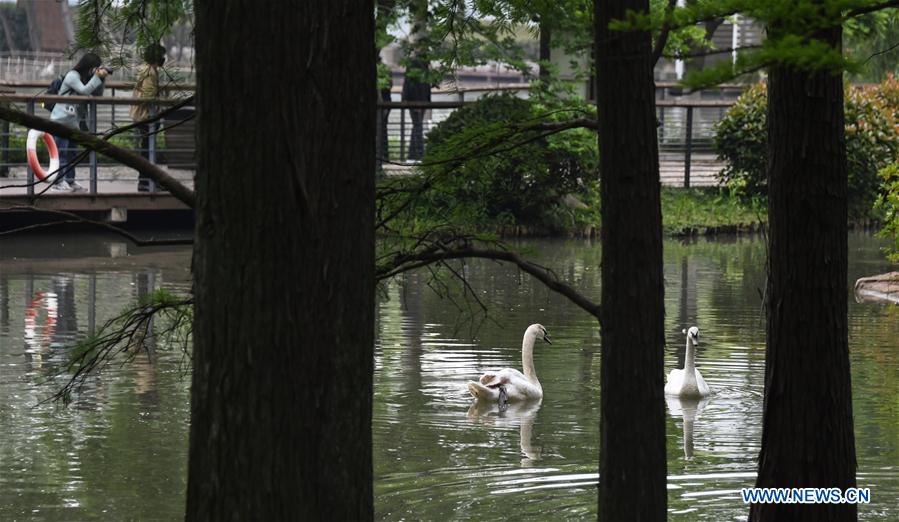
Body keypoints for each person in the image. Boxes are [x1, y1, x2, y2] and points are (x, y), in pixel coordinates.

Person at [49, 53, 109, 192]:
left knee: (72, 154)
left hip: (73, 123)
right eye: (95, 68)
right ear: (88, 66)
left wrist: (102, 79)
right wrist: (96, 77)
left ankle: (70, 181)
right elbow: (84, 91)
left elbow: (96, 94)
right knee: (61, 153)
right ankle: (58, 183)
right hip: (61, 120)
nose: (95, 71)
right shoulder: (72, 76)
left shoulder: (85, 78)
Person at [130, 43, 166, 192]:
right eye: (162, 55)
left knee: (146, 149)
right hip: (146, 117)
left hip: (142, 116)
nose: (164, 58)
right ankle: (145, 182)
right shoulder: (150, 72)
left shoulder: (147, 69)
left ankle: (146, 181)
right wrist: (159, 104)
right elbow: (147, 95)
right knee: (147, 150)